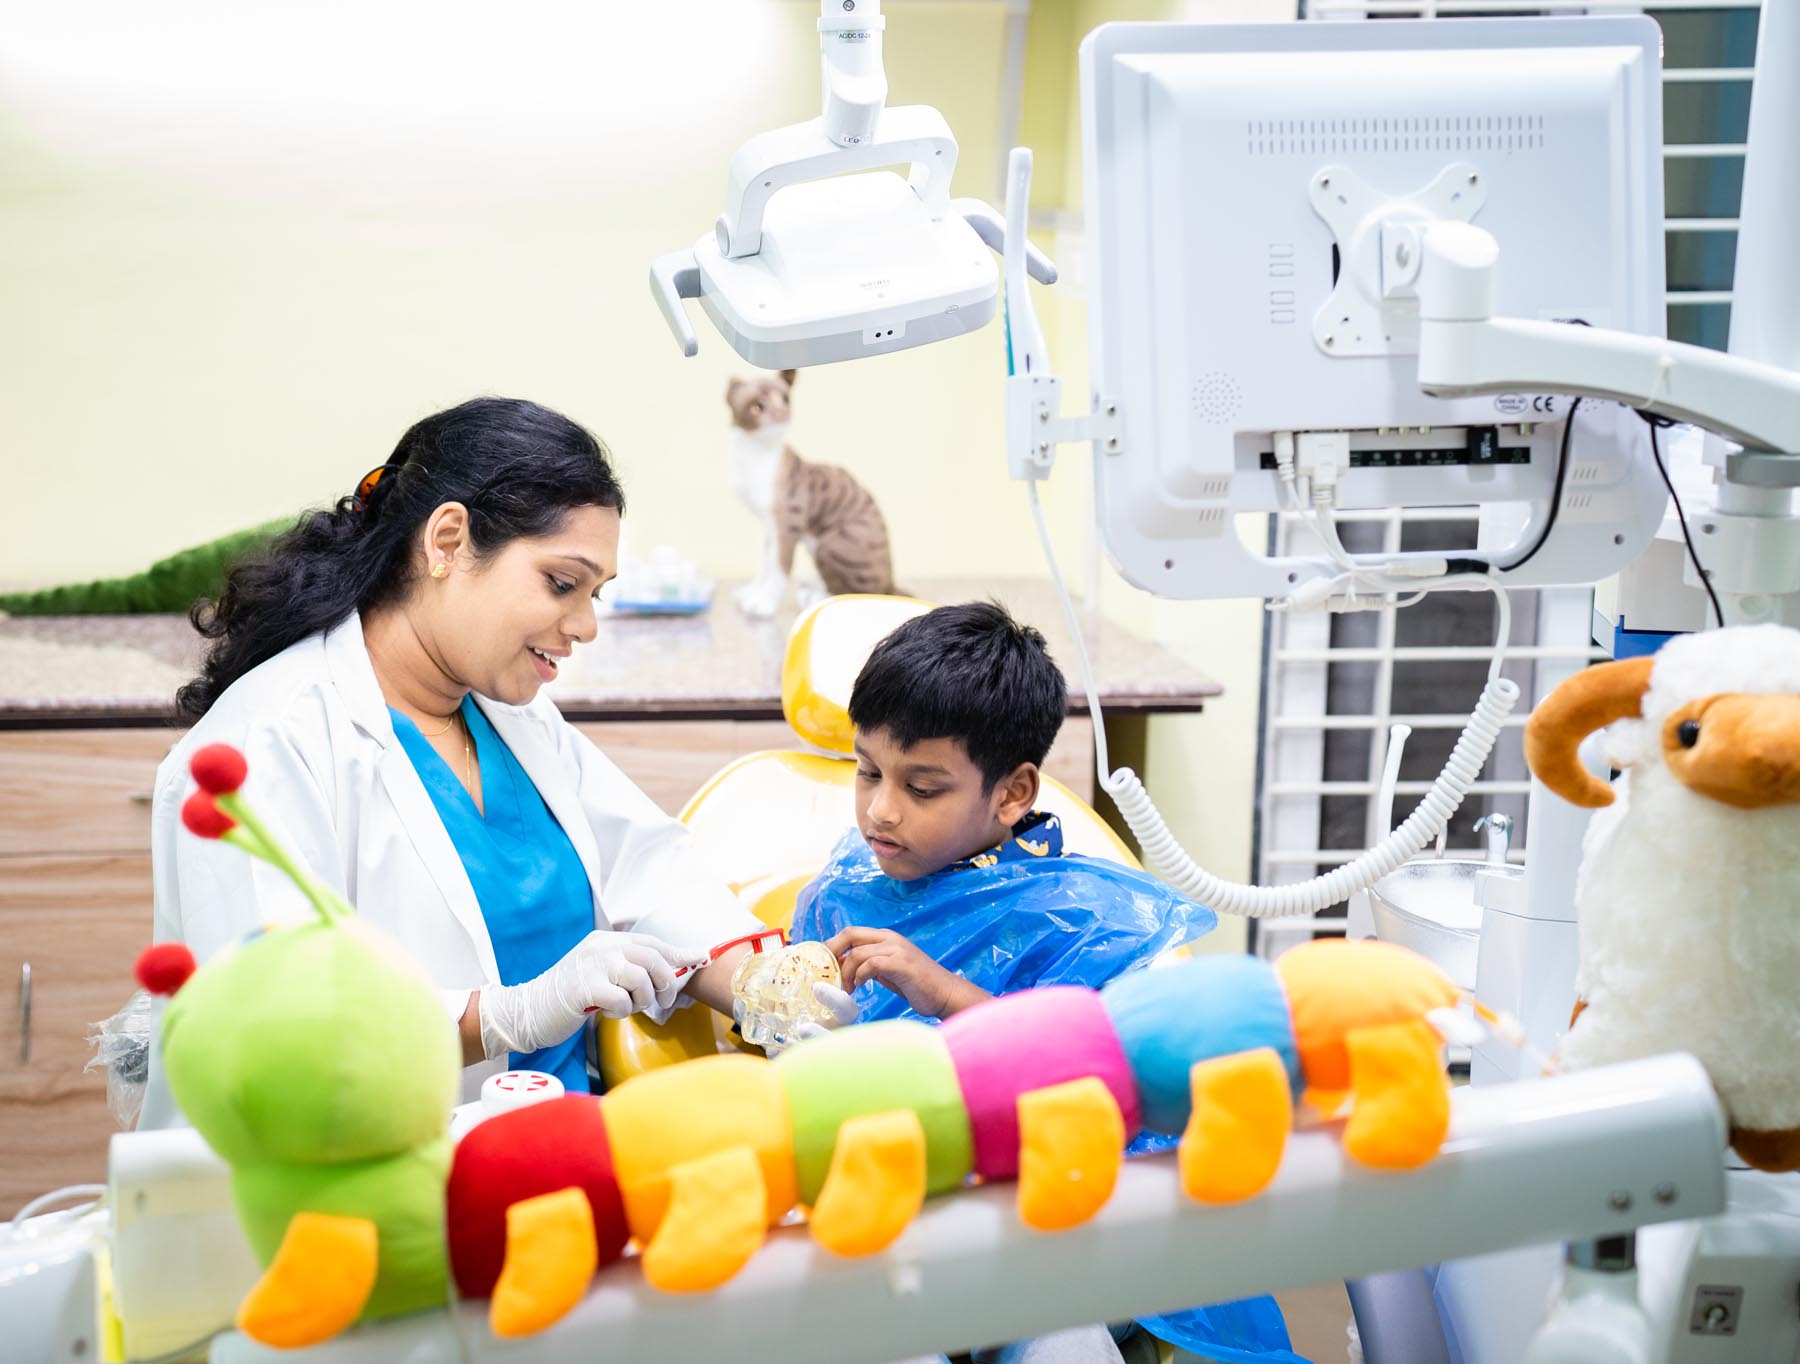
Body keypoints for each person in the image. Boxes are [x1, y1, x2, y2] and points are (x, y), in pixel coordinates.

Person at [151, 397, 766, 1102]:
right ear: (446, 542)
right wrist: (503, 1016)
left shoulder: (511, 720)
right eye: (563, 584)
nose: (587, 625)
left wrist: (777, 991)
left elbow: (654, 877)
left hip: (559, 1158)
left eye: (596, 593)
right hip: (368, 1184)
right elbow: (276, 1037)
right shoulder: (268, 745)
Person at [789, 602, 1300, 1364]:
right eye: (866, 771)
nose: (880, 808)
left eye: (922, 788)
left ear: (1012, 793)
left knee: (1065, 1336)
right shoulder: (842, 891)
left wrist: (946, 994)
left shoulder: (1086, 918)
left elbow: (1104, 1087)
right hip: (894, 1207)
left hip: (1051, 1222)